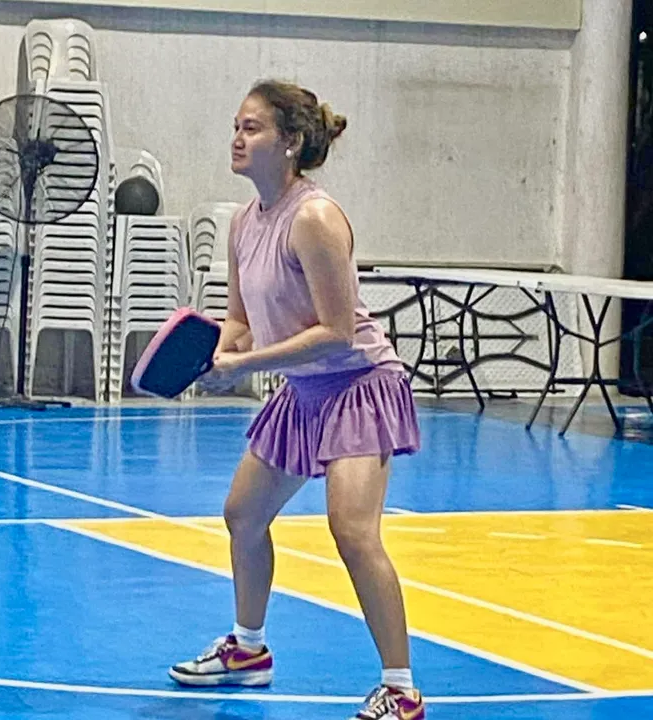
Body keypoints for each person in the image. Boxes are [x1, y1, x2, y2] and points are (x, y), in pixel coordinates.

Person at [168, 79, 425, 720]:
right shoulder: (243, 222)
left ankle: (402, 690)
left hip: (358, 386)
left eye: (251, 127)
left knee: (353, 531)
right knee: (243, 515)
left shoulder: (314, 218)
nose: (236, 138)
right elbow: (239, 318)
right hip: (304, 388)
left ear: (290, 142)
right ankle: (248, 651)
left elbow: (337, 332)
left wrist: (244, 366)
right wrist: (216, 355)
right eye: (236, 125)